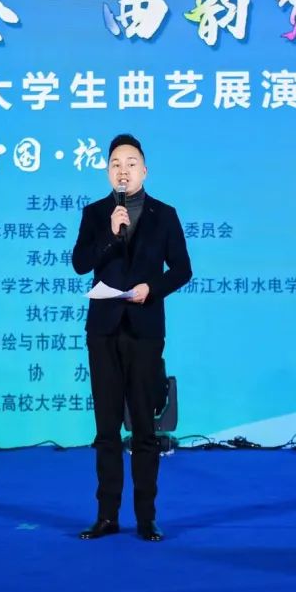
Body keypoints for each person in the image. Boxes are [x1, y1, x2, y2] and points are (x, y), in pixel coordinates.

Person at [71, 133, 192, 542]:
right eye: (115, 164)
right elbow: (80, 263)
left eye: (130, 163)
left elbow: (182, 269)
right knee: (106, 429)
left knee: (144, 427)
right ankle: (107, 515)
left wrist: (151, 289)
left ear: (144, 170)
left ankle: (146, 517)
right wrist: (109, 234)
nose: (122, 170)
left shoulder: (165, 214)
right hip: (103, 330)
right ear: (108, 171)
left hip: (144, 330)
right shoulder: (95, 213)